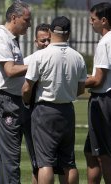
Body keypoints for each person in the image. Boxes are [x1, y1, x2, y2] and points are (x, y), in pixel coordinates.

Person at [22, 16, 87, 184]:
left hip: (45, 110)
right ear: (69, 33)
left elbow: (27, 88)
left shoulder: (40, 56)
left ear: (50, 32)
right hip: (67, 110)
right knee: (69, 162)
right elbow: (80, 89)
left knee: (45, 162)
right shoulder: (78, 57)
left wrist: (27, 102)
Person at [0, 1, 31, 183]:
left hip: (12, 100)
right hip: (4, 100)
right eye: (26, 20)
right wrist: (37, 65)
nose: (29, 24)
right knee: (12, 157)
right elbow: (10, 71)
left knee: (5, 156)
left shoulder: (10, 39)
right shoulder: (0, 39)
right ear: (14, 18)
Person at [84, 2, 111, 184]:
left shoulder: (106, 43)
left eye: (93, 19)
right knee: (91, 152)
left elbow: (97, 80)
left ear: (103, 21)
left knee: (103, 154)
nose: (90, 22)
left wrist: (72, 83)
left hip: (104, 100)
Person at [23, 23, 67, 184]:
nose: (46, 43)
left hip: (54, 113)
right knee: (38, 164)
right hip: (34, 114)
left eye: (49, 39)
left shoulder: (61, 59)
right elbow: (24, 89)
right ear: (35, 42)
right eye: (42, 41)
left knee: (62, 163)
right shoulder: (28, 61)